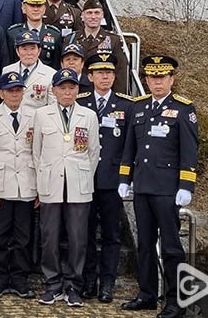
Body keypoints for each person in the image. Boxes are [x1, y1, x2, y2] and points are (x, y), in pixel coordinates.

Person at [118, 55, 199, 318]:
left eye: (162, 77)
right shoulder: (139, 107)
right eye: (152, 77)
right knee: (144, 244)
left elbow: (189, 151)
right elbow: (130, 146)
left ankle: (177, 301)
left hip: (167, 189)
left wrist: (186, 185)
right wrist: (125, 178)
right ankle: (147, 294)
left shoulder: (183, 109)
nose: (157, 82)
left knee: (171, 247)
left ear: (172, 79)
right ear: (146, 80)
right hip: (142, 187)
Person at [32, 68, 100, 307]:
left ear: (77, 90)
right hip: (50, 182)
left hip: (78, 184)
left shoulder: (88, 116)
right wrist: (42, 180)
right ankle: (52, 284)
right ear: (54, 90)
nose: (67, 92)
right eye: (62, 88)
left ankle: (73, 285)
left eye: (71, 88)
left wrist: (82, 175)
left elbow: (93, 153)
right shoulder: (41, 115)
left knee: (78, 238)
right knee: (49, 237)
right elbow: (36, 151)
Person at [76, 54, 134, 302]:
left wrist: (127, 178)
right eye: (100, 73)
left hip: (112, 181)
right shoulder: (80, 102)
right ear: (90, 76)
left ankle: (107, 283)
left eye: (109, 73)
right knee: (85, 233)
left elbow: (130, 145)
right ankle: (89, 280)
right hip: (85, 178)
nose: (105, 77)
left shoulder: (126, 105)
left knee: (112, 235)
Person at [0, 72, 38, 300]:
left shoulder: (35, 116)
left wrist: (40, 188)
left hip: (27, 185)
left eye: (18, 90)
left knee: (24, 237)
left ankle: (20, 278)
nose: (15, 94)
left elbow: (39, 152)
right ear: (1, 93)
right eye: (10, 91)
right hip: (0, 186)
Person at [69, 0, 128, 94]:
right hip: (76, 92)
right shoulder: (71, 39)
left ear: (102, 15)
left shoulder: (114, 40)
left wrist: (118, 98)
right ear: (82, 16)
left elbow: (120, 72)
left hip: (102, 93)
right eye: (89, 13)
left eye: (97, 13)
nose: (93, 17)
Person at [8, 0, 63, 70]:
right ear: (23, 8)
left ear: (44, 9)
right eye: (32, 5)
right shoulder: (13, 33)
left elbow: (57, 65)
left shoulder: (55, 34)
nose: (36, 9)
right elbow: (9, 63)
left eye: (39, 6)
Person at [3, 30, 56, 115]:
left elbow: (52, 107)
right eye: (24, 49)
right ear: (17, 51)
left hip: (37, 119)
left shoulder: (51, 74)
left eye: (32, 48)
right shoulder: (7, 71)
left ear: (39, 51)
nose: (29, 53)